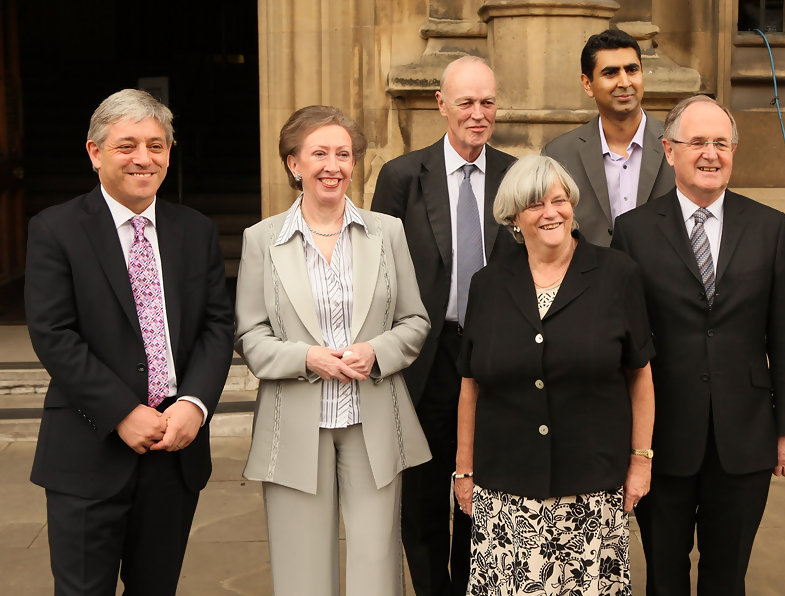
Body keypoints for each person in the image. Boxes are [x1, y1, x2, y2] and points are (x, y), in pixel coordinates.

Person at [24, 89, 234, 595]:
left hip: (174, 453)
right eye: (127, 145)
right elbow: (54, 334)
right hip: (87, 451)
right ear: (95, 153)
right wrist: (121, 410)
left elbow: (216, 327)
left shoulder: (196, 231)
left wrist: (195, 405)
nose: (144, 158)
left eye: (156, 145)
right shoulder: (55, 229)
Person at [611, 95, 785, 595]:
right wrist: (625, 441)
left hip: (744, 437)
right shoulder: (634, 232)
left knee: (728, 575)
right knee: (664, 573)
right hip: (663, 436)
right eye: (697, 142)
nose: (710, 153)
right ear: (669, 150)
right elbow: (623, 346)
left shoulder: (767, 227)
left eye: (721, 143)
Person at [234, 105, 431, 595]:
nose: (333, 165)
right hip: (294, 422)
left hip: (374, 422)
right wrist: (306, 358)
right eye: (318, 153)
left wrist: (377, 351)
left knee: (377, 565)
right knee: (301, 571)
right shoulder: (261, 240)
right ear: (293, 164)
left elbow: (414, 321)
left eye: (343, 154)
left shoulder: (387, 232)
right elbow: (250, 336)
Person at [453, 154, 656, 595]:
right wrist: (463, 471)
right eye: (535, 205)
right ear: (514, 218)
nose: (551, 213)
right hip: (505, 493)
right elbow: (471, 386)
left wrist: (641, 459)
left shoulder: (617, 275)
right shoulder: (487, 285)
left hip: (591, 491)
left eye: (559, 200)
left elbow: (640, 376)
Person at [371, 55, 517, 596]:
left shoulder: (514, 173)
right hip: (426, 360)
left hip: (497, 360)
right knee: (425, 496)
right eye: (466, 103)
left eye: (487, 103)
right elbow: (378, 272)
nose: (478, 115)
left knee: (485, 493)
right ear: (441, 104)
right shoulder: (403, 177)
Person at [542, 28, 675, 247]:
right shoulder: (558, 155)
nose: (624, 82)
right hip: (588, 278)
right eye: (611, 73)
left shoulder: (678, 145)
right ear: (587, 84)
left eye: (632, 70)